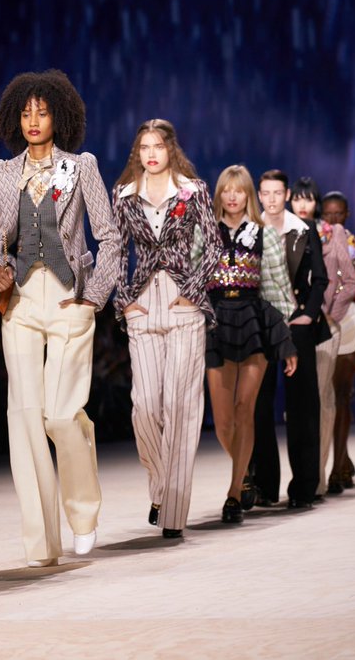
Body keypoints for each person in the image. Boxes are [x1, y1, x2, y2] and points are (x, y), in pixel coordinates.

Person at [0, 70, 118, 567]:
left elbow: (109, 237)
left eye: (42, 112)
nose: (34, 121)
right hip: (20, 302)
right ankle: (41, 543)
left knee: (60, 415)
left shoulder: (80, 167)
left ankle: (83, 513)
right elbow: (2, 240)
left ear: (59, 116)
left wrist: (93, 298)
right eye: (26, 113)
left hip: (68, 298)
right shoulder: (2, 172)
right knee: (24, 416)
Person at [111, 118, 221, 539]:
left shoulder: (193, 190)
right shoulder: (124, 193)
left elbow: (213, 245)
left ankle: (172, 511)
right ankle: (162, 487)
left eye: (158, 146)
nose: (151, 154)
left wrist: (193, 292)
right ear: (137, 153)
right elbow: (116, 249)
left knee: (181, 406)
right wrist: (124, 300)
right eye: (144, 147)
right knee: (144, 407)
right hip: (143, 304)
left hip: (183, 304)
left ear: (171, 149)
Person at [201, 165, 297, 523]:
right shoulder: (205, 231)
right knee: (223, 421)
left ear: (247, 195)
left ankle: (233, 494)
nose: (232, 196)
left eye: (239, 190)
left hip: (253, 320)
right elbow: (193, 279)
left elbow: (276, 287)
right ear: (219, 194)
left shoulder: (264, 234)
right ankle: (244, 474)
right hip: (217, 323)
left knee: (246, 409)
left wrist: (285, 339)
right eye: (226, 189)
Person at [256, 171, 329, 509]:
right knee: (259, 405)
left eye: (277, 193)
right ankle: (264, 484)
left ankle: (304, 487)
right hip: (261, 324)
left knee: (303, 405)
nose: (271, 199)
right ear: (259, 195)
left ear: (286, 195)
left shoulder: (304, 228)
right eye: (266, 193)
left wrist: (309, 314)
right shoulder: (251, 229)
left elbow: (320, 279)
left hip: (297, 323)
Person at [290, 177, 355, 497]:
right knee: (297, 405)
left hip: (324, 326)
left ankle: (316, 478)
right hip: (289, 325)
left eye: (309, 199)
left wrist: (329, 311)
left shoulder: (333, 233)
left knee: (322, 399)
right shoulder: (281, 230)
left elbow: (350, 283)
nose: (303, 205)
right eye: (298, 199)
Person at [321, 191, 355, 492]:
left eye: (338, 213)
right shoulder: (314, 236)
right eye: (328, 214)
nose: (333, 219)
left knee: (342, 394)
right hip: (320, 317)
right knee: (326, 398)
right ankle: (342, 459)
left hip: (348, 318)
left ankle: (338, 468)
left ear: (347, 214)